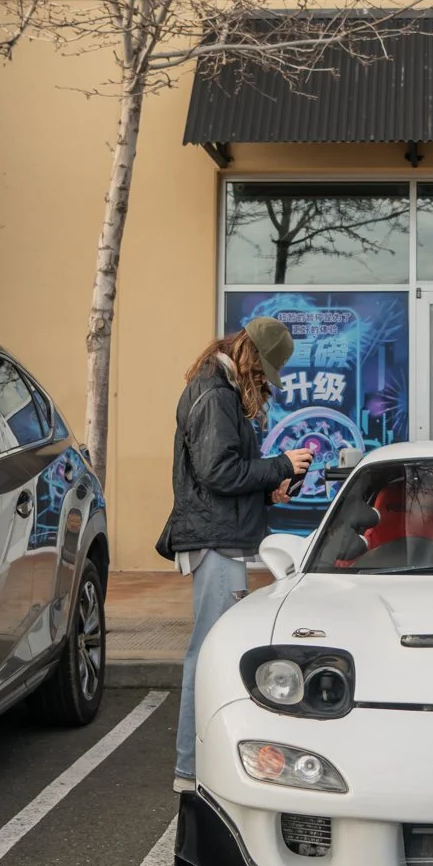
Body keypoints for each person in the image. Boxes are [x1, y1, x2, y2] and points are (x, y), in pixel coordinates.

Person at [159, 318, 314, 791]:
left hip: (217, 533)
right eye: (266, 370)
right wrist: (281, 466)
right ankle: (191, 768)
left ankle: (196, 764)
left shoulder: (215, 388)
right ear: (248, 355)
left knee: (209, 651)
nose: (265, 381)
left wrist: (270, 491)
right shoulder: (216, 394)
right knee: (207, 654)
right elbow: (218, 472)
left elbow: (219, 476)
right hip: (214, 540)